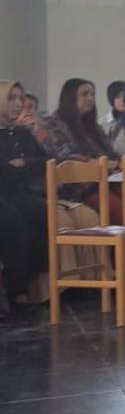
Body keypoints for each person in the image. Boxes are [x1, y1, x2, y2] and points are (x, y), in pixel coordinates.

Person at [0, 81, 48, 310]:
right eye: (11, 98)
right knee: (12, 218)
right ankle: (15, 290)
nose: (18, 104)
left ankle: (29, 284)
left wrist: (24, 163)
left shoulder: (21, 132)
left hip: (16, 191)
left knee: (39, 210)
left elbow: (46, 160)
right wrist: (13, 168)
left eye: (20, 98)